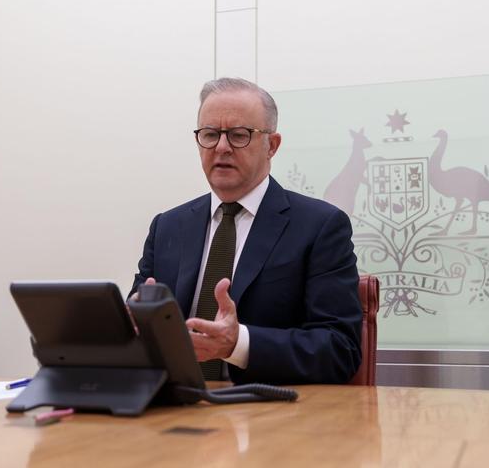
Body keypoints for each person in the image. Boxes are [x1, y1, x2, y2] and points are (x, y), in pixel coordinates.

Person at [130, 77, 362, 384]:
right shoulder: (168, 226)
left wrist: (237, 344)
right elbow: (135, 318)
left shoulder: (320, 226)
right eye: (210, 135)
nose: (221, 147)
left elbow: (339, 350)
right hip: (172, 410)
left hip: (269, 417)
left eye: (239, 135)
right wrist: (132, 325)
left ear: (272, 145)